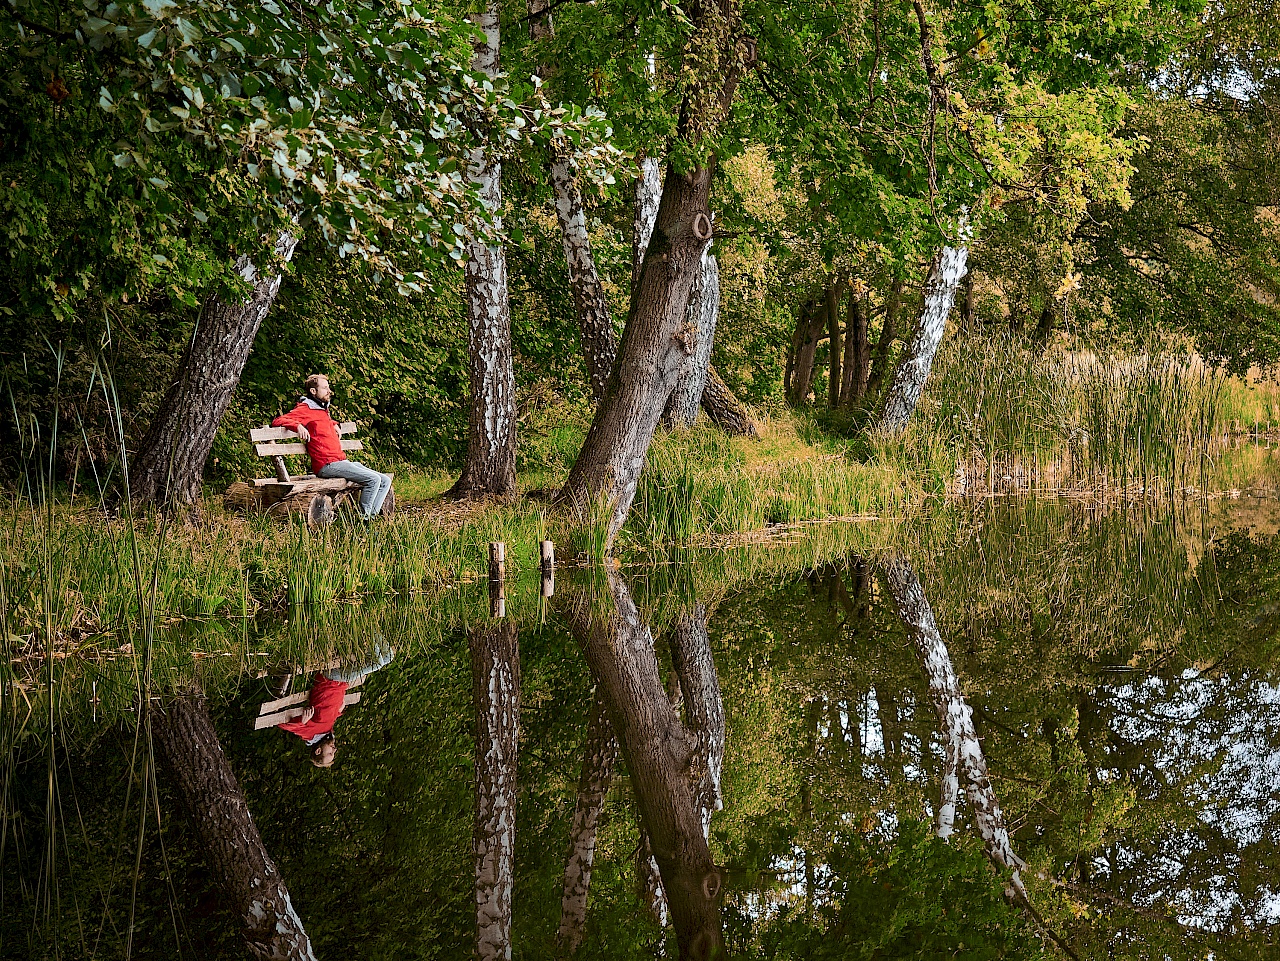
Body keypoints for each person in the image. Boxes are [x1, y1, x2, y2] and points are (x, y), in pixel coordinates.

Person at [272, 373, 393, 520]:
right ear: (313, 391)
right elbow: (279, 420)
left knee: (384, 480)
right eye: (324, 388)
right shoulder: (305, 408)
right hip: (327, 465)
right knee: (373, 480)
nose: (329, 391)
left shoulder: (321, 409)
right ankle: (364, 520)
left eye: (328, 387)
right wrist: (297, 426)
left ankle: (370, 517)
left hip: (339, 461)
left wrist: (333, 424)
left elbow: (321, 422)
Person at [278, 645, 396, 768]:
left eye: (330, 752)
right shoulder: (327, 730)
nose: (334, 749)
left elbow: (281, 723)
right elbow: (328, 713)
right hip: (340, 683)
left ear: (318, 750)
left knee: (376, 663)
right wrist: (339, 709)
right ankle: (372, 634)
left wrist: (303, 721)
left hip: (328, 681)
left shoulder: (310, 734)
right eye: (333, 753)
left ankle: (372, 630)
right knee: (388, 657)